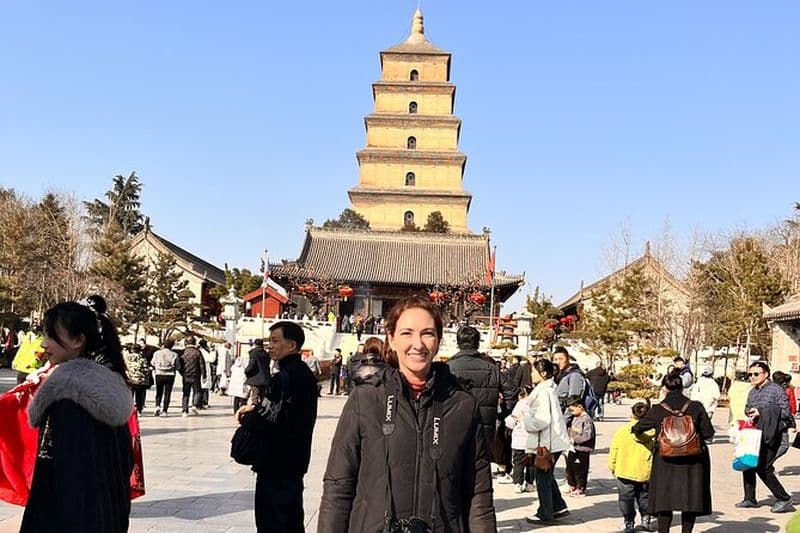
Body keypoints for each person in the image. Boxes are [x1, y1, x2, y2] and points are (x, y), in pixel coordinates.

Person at [318, 297, 496, 532]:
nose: (418, 344)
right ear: (391, 339)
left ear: (439, 340)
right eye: (407, 333)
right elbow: (338, 485)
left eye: (427, 333)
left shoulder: (462, 405)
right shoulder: (366, 399)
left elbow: (478, 494)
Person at [21, 295, 133, 532]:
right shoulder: (106, 385)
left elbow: (72, 480)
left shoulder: (71, 396)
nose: (43, 344)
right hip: (104, 517)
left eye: (51, 336)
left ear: (78, 340)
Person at [235, 321, 318, 532]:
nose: (270, 346)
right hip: (296, 459)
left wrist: (247, 417)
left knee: (271, 523)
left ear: (291, 345)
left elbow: (265, 419)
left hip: (274, 462)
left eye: (275, 341)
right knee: (292, 521)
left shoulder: (283, 378)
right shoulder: (306, 375)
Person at [632, 367, 714, 533]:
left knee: (665, 501)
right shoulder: (696, 407)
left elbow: (637, 428)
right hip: (693, 461)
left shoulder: (657, 409)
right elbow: (708, 433)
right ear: (682, 387)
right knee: (689, 502)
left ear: (664, 388)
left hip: (665, 460)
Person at [735, 362, 794, 513]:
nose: (752, 377)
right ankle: (750, 498)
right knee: (748, 462)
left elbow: (786, 413)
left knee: (764, 467)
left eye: (756, 374)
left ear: (766, 374)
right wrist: (751, 412)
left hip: (775, 435)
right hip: (756, 434)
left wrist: (762, 412)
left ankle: (784, 498)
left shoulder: (776, 390)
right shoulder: (753, 391)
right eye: (750, 374)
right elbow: (747, 407)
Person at [523, 358, 571, 525]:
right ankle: (558, 506)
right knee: (547, 476)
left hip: (548, 442)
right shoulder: (547, 389)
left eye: (534, 371)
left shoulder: (543, 392)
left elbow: (543, 420)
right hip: (553, 440)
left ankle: (545, 512)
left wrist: (526, 419)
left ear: (543, 373)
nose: (531, 374)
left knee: (542, 477)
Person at [446, 325, 501, 452]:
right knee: (481, 465)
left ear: (458, 343)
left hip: (454, 424)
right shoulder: (491, 368)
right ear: (477, 343)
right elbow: (512, 391)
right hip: (485, 426)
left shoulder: (448, 367)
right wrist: (502, 416)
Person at [609, 401, 656, 533]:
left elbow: (614, 449)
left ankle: (628, 522)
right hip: (645, 472)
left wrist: (612, 466)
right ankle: (646, 519)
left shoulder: (622, 431)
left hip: (624, 470)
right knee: (644, 497)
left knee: (626, 499)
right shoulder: (653, 433)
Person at [505, 386, 534, 494]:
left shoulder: (520, 404)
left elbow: (511, 421)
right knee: (531, 463)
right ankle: (529, 483)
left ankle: (518, 483)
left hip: (519, 439)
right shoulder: (536, 404)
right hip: (532, 439)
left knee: (518, 463)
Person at [565, 395, 596, 497]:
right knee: (570, 468)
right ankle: (572, 484)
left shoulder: (586, 420)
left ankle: (580, 487)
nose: (571, 412)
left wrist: (575, 439)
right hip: (573, 448)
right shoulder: (574, 417)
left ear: (580, 406)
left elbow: (588, 435)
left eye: (572, 410)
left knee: (580, 470)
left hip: (582, 449)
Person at [553, 346, 587, 419]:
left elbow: (574, 403)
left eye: (561, 359)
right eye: (555, 359)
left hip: (570, 423)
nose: (558, 362)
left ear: (568, 359)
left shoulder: (575, 376)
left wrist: (563, 423)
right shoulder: (560, 376)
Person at [178, 336, 206, 417]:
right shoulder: (198, 352)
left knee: (186, 393)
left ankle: (184, 410)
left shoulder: (183, 352)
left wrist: (182, 373)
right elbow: (202, 365)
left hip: (186, 375)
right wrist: (204, 375)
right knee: (197, 391)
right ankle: (194, 404)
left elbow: (180, 364)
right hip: (196, 375)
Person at [152, 338, 179, 416]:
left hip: (159, 374)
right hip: (170, 375)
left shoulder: (157, 353)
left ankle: (157, 406)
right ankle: (165, 410)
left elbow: (153, 363)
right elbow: (177, 366)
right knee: (167, 393)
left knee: (159, 391)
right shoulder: (174, 354)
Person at [124, 344, 150, 414]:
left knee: (130, 395)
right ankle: (139, 409)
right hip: (139, 380)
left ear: (132, 350)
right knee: (139, 396)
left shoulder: (126, 359)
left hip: (130, 379)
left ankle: (129, 409)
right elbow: (145, 369)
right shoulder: (142, 359)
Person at [198, 338, 214, 408]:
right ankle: (204, 402)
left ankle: (200, 402)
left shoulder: (199, 350)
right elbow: (211, 359)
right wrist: (213, 352)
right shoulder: (205, 351)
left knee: (201, 387)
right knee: (205, 388)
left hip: (199, 370)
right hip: (205, 369)